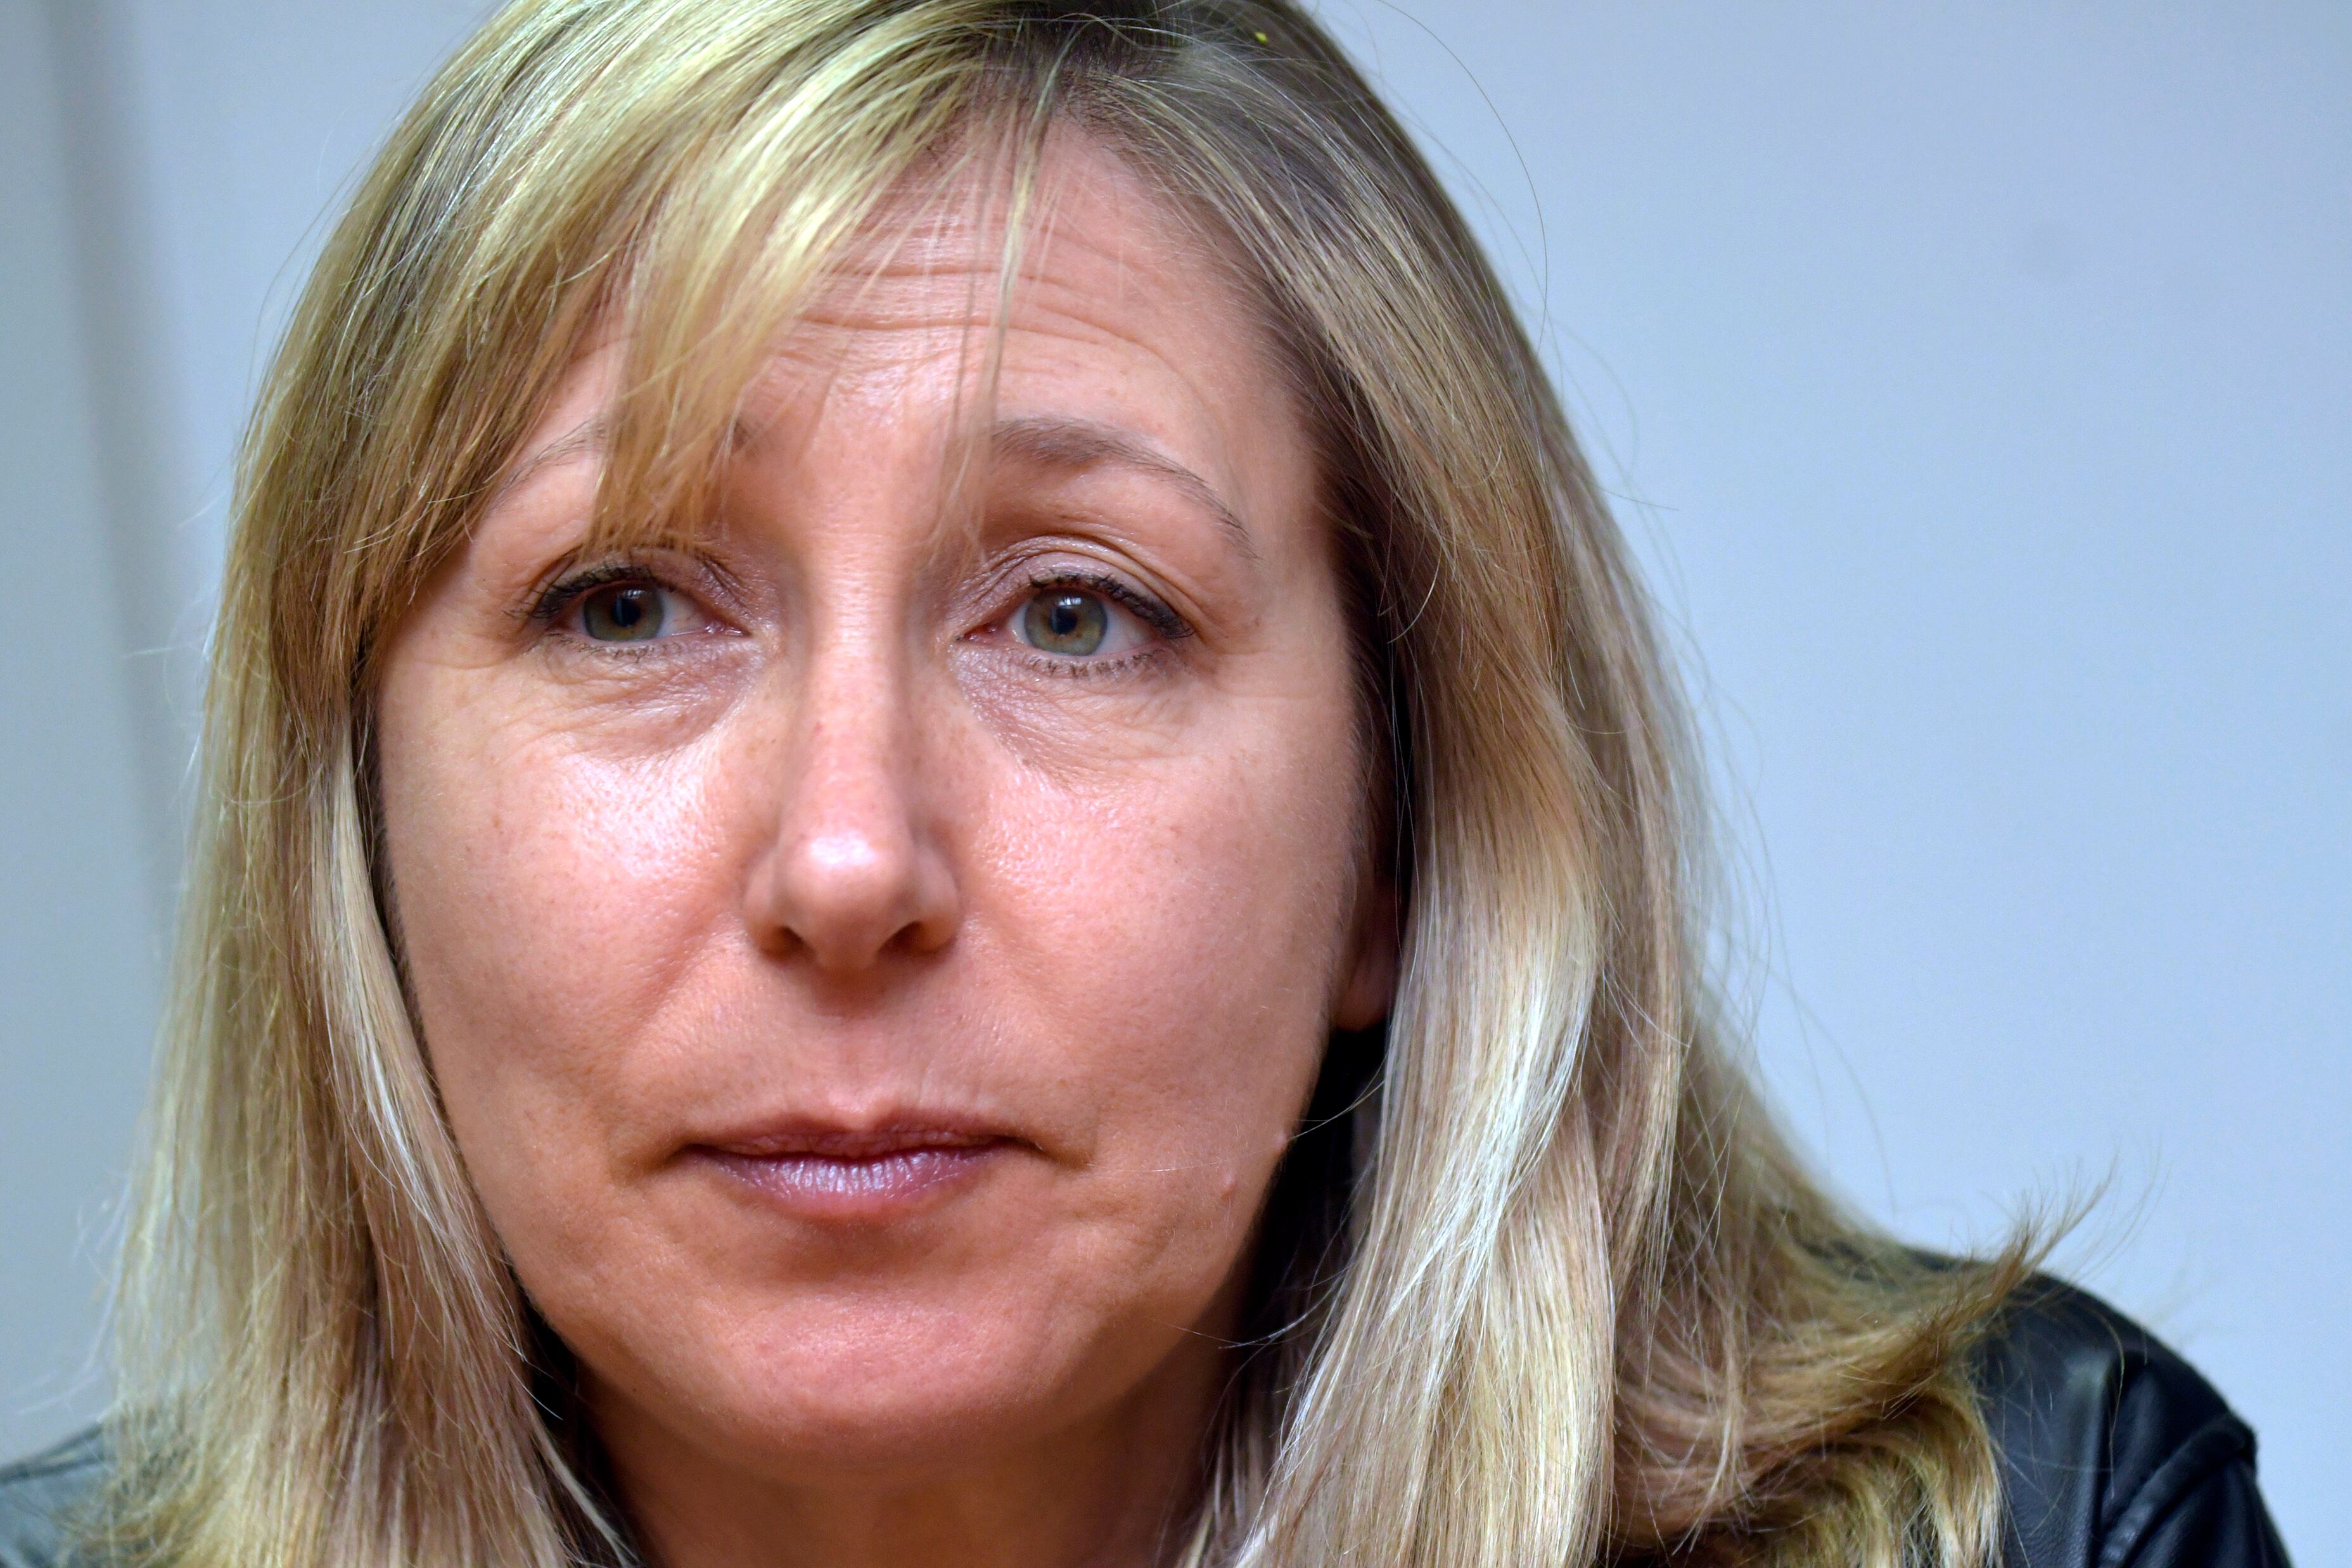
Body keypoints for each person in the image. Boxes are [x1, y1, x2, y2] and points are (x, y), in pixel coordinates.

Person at [0, 2, 2292, 1565]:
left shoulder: (2037, 1524)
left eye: (1080, 611)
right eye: (627, 604)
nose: (848, 857)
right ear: (361, 819)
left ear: (1403, 828)